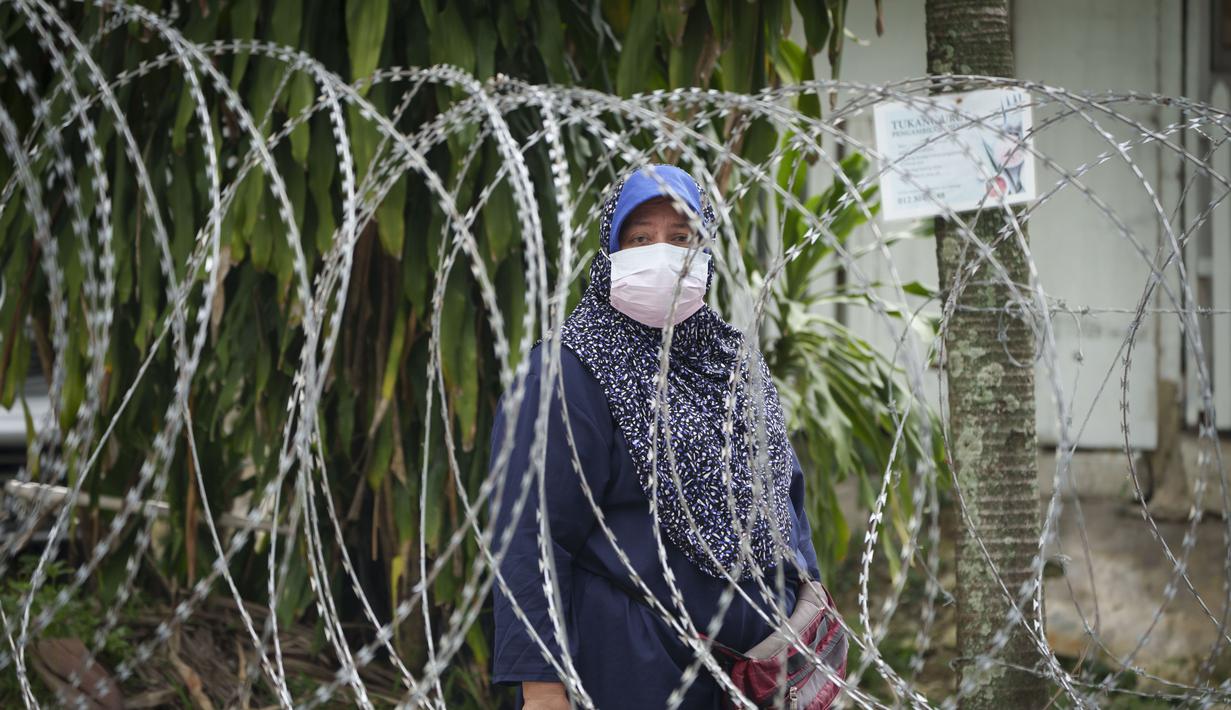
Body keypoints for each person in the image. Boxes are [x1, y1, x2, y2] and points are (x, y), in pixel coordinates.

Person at [488, 165, 822, 709]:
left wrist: (804, 620)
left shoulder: (735, 363)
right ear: (610, 252)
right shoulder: (568, 374)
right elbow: (532, 538)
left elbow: (786, 503)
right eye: (640, 238)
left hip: (759, 673)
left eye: (682, 238)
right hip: (634, 672)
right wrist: (543, 689)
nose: (662, 255)